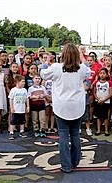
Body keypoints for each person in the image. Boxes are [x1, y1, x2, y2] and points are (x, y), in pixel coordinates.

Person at [40, 43, 90, 173]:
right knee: (75, 134)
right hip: (77, 106)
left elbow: (43, 74)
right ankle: (75, 162)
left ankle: (66, 166)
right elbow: (88, 72)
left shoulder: (56, 67)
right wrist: (81, 56)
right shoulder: (81, 68)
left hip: (62, 106)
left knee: (63, 135)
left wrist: (46, 61)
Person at [93, 68, 112, 136]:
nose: (102, 75)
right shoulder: (96, 82)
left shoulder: (109, 83)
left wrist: (104, 100)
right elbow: (94, 92)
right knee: (98, 116)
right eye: (101, 73)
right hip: (98, 102)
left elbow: (110, 93)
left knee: (105, 117)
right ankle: (98, 130)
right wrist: (98, 99)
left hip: (106, 102)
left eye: (104, 73)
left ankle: (106, 130)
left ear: (107, 75)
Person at [8, 74, 29, 140]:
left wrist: (27, 106)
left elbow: (27, 98)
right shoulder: (13, 90)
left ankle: (21, 131)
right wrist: (11, 107)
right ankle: (11, 132)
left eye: (24, 81)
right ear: (17, 82)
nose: (24, 83)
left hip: (22, 109)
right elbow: (10, 99)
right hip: (15, 110)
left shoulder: (24, 90)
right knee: (13, 121)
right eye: (22, 81)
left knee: (22, 121)